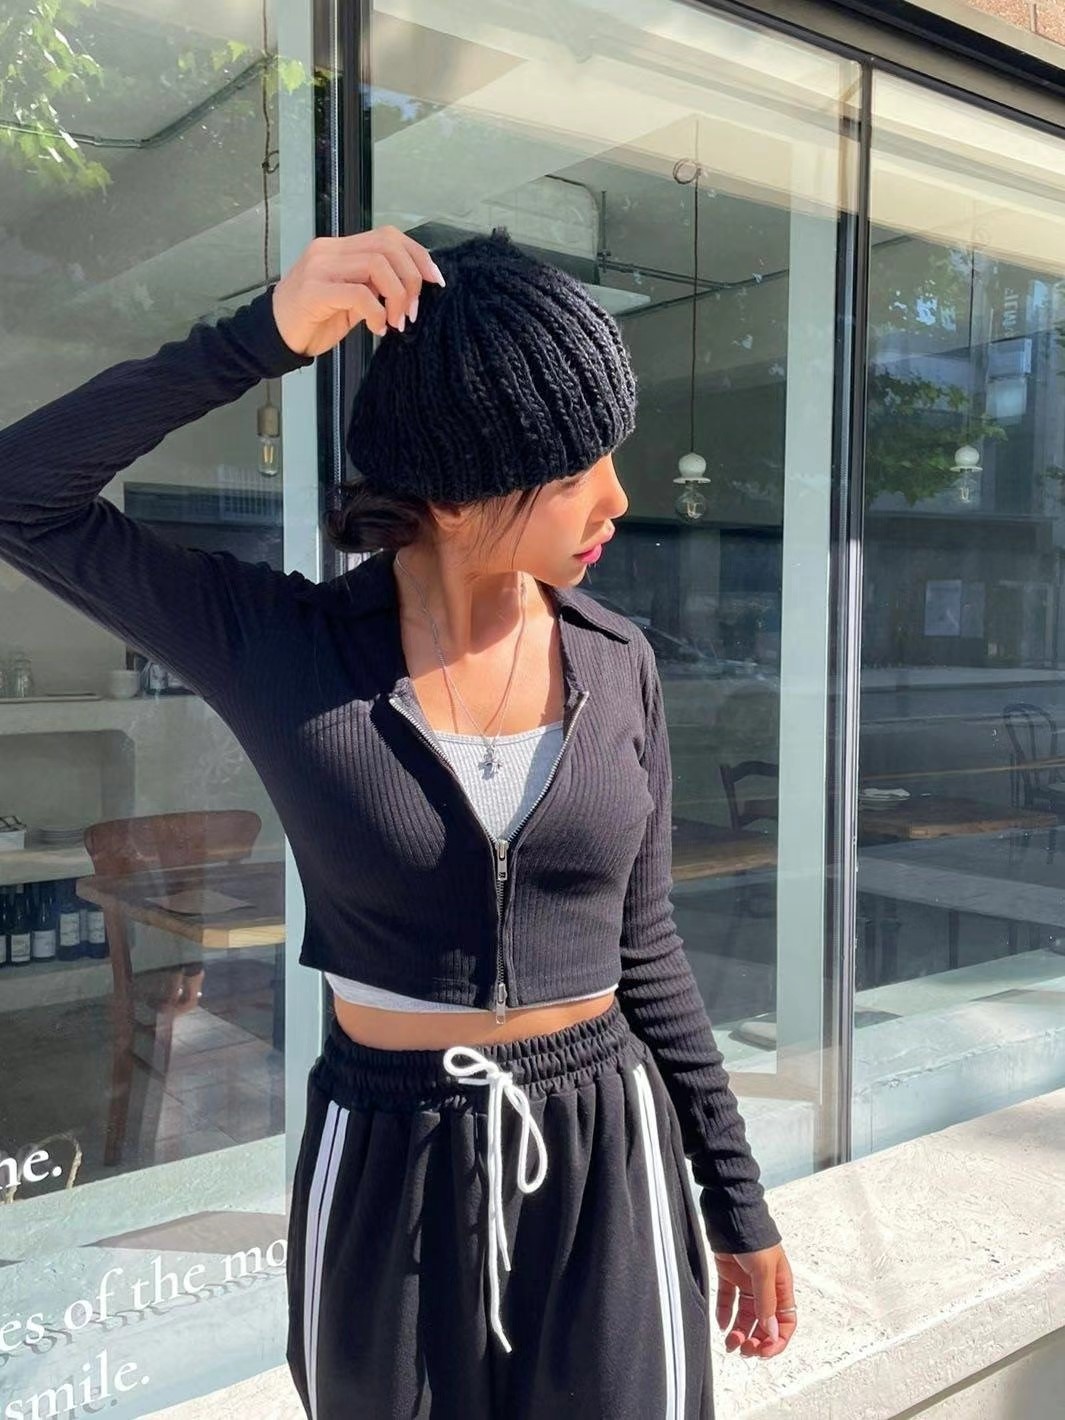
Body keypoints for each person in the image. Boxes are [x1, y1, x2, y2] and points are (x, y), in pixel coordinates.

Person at [0, 224, 795, 1418]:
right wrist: (255, 342)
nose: (617, 498)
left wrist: (736, 1200)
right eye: (574, 469)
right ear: (460, 490)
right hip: (387, 1154)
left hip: (606, 1147)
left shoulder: (618, 659)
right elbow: (22, 493)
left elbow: (648, 948)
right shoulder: (288, 648)